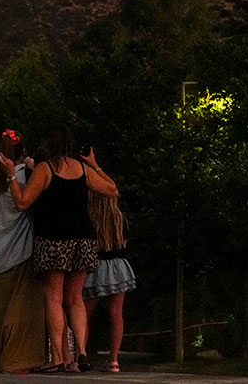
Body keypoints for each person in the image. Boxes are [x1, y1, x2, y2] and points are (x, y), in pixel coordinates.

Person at [0, 127, 118, 373]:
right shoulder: (81, 169)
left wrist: (11, 176)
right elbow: (112, 190)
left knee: (54, 297)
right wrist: (94, 166)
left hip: (53, 240)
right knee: (76, 299)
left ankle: (58, 357)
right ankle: (81, 353)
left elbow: (22, 203)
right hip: (83, 240)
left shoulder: (45, 169)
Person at [0, 129, 46, 373]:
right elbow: (29, 201)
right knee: (21, 308)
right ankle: (18, 356)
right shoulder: (22, 177)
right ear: (22, 152)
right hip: (19, 253)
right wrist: (31, 166)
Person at [83, 155, 135, 374]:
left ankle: (79, 353)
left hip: (96, 266)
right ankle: (114, 359)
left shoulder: (90, 216)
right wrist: (97, 166)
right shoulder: (118, 217)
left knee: (84, 313)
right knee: (116, 314)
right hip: (118, 266)